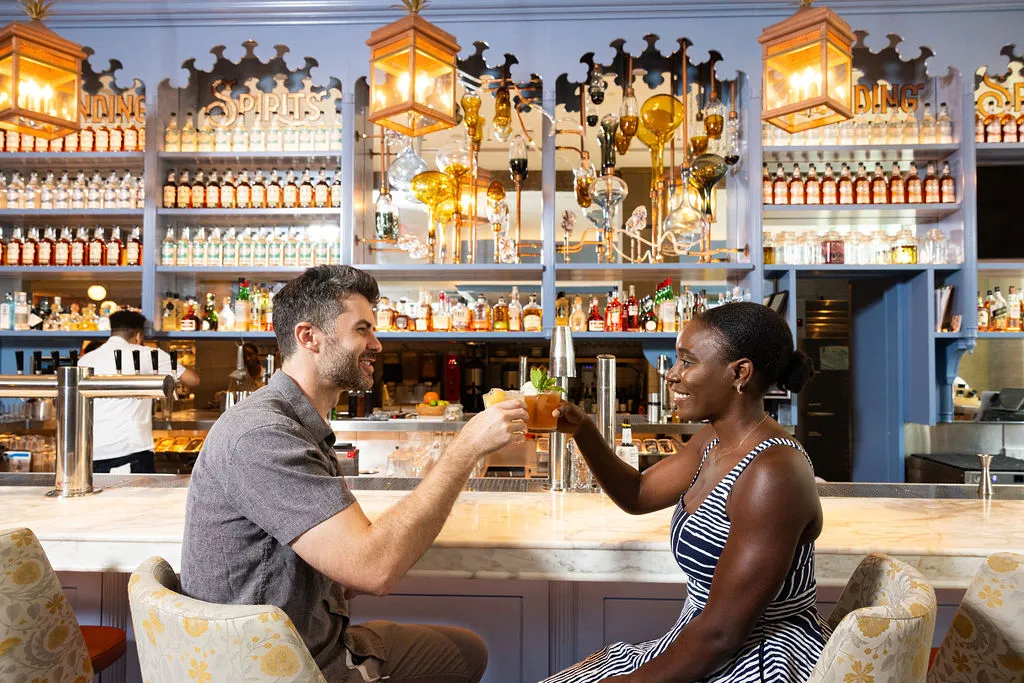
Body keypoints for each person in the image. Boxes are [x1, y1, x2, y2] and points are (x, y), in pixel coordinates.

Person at [181, 265, 528, 683]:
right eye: (362, 330)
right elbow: (374, 569)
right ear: (308, 337)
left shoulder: (296, 423)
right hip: (277, 667)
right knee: (464, 656)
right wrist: (466, 447)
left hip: (311, 639)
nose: (377, 345)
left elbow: (348, 567)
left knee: (466, 651)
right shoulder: (263, 435)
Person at [544, 302, 825, 682]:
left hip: (756, 658)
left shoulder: (772, 472)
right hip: (697, 641)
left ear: (739, 373)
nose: (672, 375)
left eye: (687, 362)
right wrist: (583, 430)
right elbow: (639, 493)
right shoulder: (713, 440)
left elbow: (721, 635)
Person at [78, 310, 200, 473]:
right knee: (139, 491)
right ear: (138, 336)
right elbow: (193, 380)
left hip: (91, 452)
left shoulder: (86, 359)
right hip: (130, 452)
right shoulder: (148, 354)